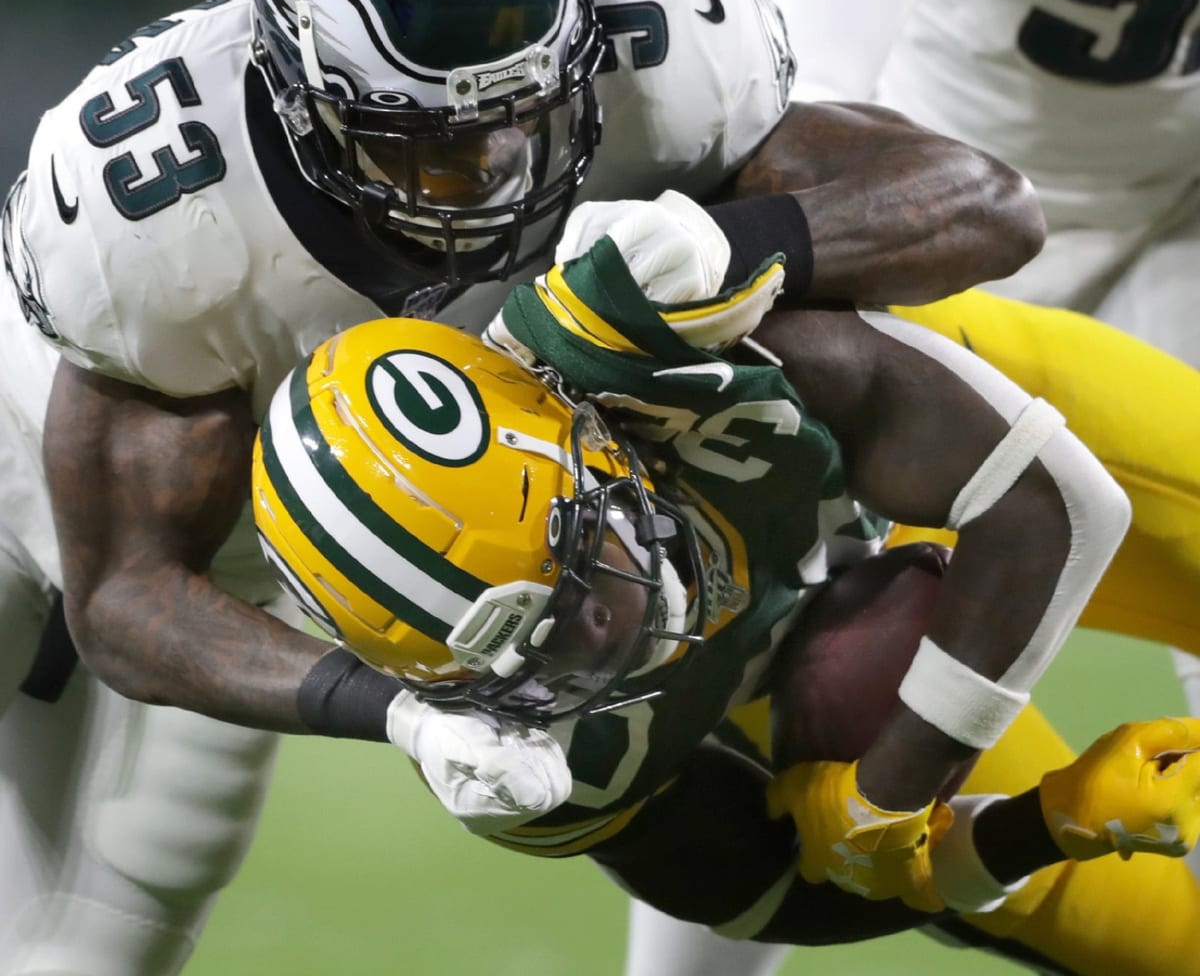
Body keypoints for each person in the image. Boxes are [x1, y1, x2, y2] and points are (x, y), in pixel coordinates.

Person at [0, 0, 1042, 975]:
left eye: (528, 117)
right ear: (304, 104)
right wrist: (394, 710)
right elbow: (127, 595)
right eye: (433, 145)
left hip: (450, 500)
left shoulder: (660, 42)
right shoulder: (162, 220)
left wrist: (729, 242)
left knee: (140, 886)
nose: (500, 173)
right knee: (99, 879)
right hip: (69, 462)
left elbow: (988, 203)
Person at [250, 233, 1200, 973]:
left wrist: (887, 796)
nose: (591, 632)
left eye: (576, 568)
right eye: (525, 661)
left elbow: (1046, 507)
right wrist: (1053, 819)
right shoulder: (515, 765)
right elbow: (780, 889)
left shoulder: (663, 350)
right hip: (810, 685)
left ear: (583, 427)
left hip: (972, 455)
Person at [630, 0, 1200, 972]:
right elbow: (823, 32)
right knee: (775, 639)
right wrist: (808, 239)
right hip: (956, 227)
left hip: (1183, 215)